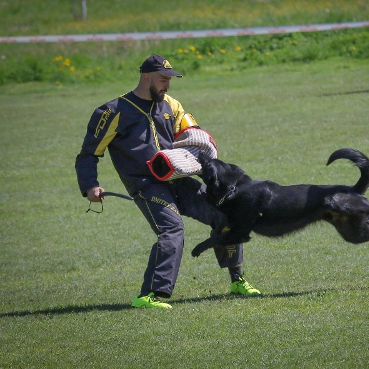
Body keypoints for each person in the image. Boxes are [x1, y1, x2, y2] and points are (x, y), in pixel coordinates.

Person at [75, 54, 261, 309]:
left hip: (178, 179)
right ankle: (148, 295)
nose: (167, 85)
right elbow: (88, 154)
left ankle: (237, 280)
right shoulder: (112, 112)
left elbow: (193, 136)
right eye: (163, 80)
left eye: (169, 80)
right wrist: (90, 186)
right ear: (146, 77)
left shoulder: (171, 105)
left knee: (225, 213)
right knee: (172, 230)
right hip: (146, 185)